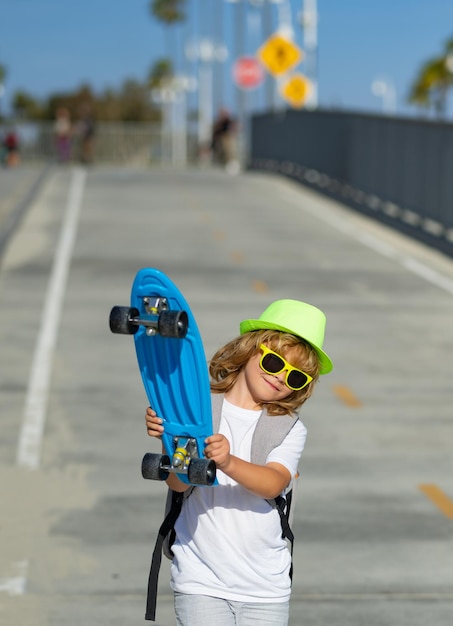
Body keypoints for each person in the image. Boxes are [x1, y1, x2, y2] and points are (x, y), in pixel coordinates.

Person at [145, 299, 333, 626]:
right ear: (249, 349)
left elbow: (274, 482)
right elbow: (177, 484)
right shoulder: (198, 409)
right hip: (200, 578)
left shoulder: (289, 428)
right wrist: (169, 436)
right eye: (274, 363)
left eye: (296, 377)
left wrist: (228, 461)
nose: (280, 378)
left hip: (265, 587)